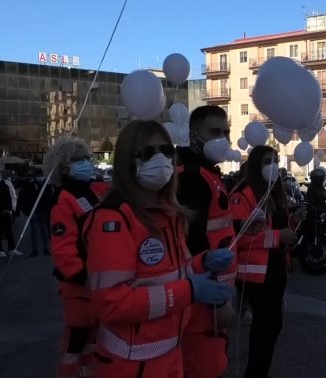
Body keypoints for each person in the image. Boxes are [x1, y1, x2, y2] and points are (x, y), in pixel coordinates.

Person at [84, 120, 234, 377]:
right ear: (128, 162)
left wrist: (203, 262)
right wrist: (189, 290)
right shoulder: (114, 219)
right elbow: (112, 303)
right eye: (147, 152)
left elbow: (173, 272)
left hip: (171, 353)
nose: (160, 158)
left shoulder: (169, 215)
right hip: (130, 363)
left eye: (165, 150)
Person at [176, 105, 242, 378]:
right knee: (204, 365)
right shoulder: (191, 177)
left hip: (211, 289)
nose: (223, 139)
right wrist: (216, 301)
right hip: (203, 299)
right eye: (214, 132)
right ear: (194, 136)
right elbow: (194, 244)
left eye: (226, 132)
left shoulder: (207, 172)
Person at [43, 136, 110, 378]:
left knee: (95, 339)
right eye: (77, 160)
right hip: (79, 285)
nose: (85, 163)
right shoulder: (63, 199)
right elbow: (63, 248)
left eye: (86, 158)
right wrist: (81, 275)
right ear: (63, 166)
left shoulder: (92, 190)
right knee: (76, 341)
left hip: (97, 280)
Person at [230, 145, 299, 378]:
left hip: (276, 267)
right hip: (256, 274)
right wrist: (279, 236)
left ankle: (260, 371)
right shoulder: (244, 193)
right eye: (268, 161)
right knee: (266, 326)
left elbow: (278, 225)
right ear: (256, 164)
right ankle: (256, 372)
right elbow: (238, 237)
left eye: (276, 160)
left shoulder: (273, 192)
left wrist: (294, 222)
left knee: (272, 325)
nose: (273, 165)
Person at [17, 169, 53, 257]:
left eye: (41, 175)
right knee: (34, 230)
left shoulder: (46, 185)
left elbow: (49, 197)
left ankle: (46, 248)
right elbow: (24, 197)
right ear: (35, 176)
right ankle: (35, 249)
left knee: (44, 230)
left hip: (43, 211)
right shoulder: (30, 185)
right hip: (34, 211)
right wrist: (27, 211)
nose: (40, 177)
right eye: (38, 176)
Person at [0, 173, 18, 257]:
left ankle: (12, 248)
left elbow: (12, 197)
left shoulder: (5, 184)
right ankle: (0, 250)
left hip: (7, 211)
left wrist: (12, 209)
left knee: (8, 230)